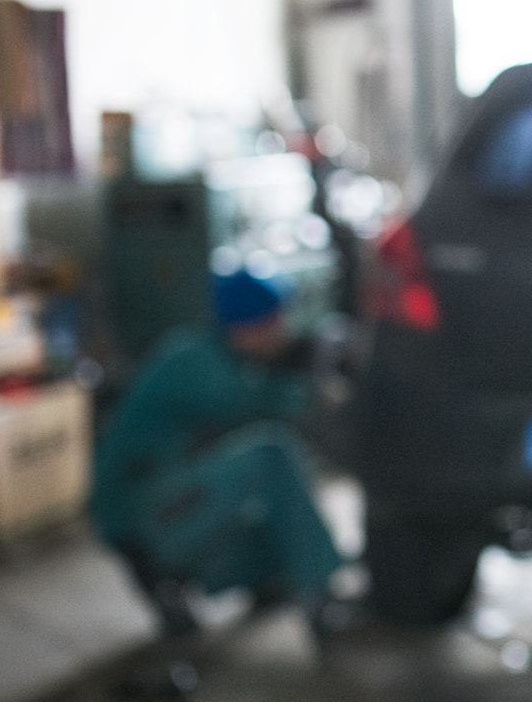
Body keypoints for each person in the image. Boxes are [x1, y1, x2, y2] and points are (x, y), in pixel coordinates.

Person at [91, 269, 343, 645]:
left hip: (173, 504)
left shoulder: (221, 358)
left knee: (286, 537)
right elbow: (255, 404)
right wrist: (308, 387)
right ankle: (322, 601)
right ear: (247, 326)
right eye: (276, 320)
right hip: (144, 516)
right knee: (273, 454)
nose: (284, 330)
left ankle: (257, 582)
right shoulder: (196, 363)